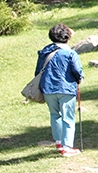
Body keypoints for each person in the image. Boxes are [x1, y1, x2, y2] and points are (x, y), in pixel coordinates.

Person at [33, 24, 84, 156]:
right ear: (67, 37)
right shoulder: (70, 53)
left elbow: (38, 71)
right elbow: (77, 71)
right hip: (66, 88)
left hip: (48, 88)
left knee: (55, 115)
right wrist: (79, 79)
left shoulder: (45, 52)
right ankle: (67, 147)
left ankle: (58, 142)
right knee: (68, 117)